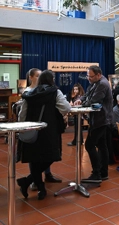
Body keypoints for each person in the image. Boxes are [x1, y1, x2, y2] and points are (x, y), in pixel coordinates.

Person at [17, 70, 71, 200]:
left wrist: (24, 127)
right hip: (49, 130)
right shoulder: (55, 92)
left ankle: (37, 186)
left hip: (32, 130)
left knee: (35, 159)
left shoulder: (29, 93)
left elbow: (22, 114)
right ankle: (30, 183)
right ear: (52, 80)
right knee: (51, 156)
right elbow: (66, 108)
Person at [74, 65, 113, 183]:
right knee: (102, 145)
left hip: (101, 120)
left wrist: (82, 104)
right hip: (99, 119)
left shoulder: (102, 84)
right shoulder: (96, 82)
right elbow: (88, 94)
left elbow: (94, 100)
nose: (88, 79)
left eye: (90, 76)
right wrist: (81, 99)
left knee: (89, 145)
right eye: (87, 76)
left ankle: (97, 173)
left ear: (98, 75)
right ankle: (103, 173)